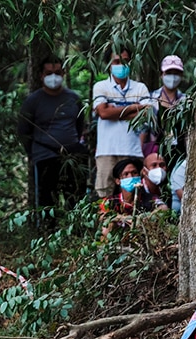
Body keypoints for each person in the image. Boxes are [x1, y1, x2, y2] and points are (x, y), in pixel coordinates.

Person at [17, 54, 87, 221]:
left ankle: (77, 231)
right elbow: (23, 131)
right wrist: (35, 154)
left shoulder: (74, 98)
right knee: (47, 201)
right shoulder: (32, 102)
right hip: (45, 157)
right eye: (48, 73)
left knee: (75, 196)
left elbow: (80, 125)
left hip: (72, 157)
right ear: (41, 75)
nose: (53, 77)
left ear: (63, 73)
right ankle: (47, 235)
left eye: (56, 72)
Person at [92, 45, 151, 199]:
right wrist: (133, 108)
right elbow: (103, 113)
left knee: (134, 197)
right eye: (116, 61)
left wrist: (114, 111)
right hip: (106, 152)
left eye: (125, 61)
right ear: (109, 65)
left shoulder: (140, 88)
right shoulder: (101, 86)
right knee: (104, 196)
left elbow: (146, 115)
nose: (121, 65)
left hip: (133, 151)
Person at [141, 55, 188, 165]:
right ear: (161, 74)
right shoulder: (150, 100)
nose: (172, 76)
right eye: (169, 72)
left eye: (176, 73)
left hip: (180, 154)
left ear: (181, 75)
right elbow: (143, 129)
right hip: (155, 154)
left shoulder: (186, 101)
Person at [99, 157, 143, 240]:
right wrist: (123, 218)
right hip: (116, 239)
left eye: (134, 173)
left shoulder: (149, 199)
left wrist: (142, 219)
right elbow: (102, 216)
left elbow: (163, 208)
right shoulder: (109, 201)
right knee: (107, 226)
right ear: (118, 181)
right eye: (126, 174)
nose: (131, 176)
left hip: (141, 238)